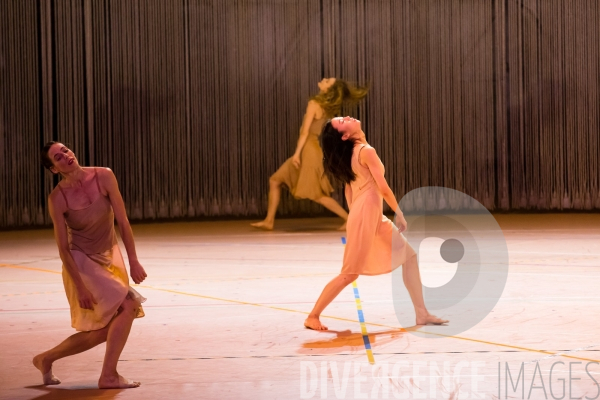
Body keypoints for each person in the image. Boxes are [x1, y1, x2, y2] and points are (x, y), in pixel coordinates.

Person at [303, 117, 448, 330]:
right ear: (345, 135)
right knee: (349, 274)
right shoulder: (365, 151)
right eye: (342, 121)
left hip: (370, 216)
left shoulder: (353, 153)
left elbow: (349, 187)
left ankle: (421, 313)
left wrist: (357, 213)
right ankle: (312, 316)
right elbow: (384, 188)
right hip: (367, 216)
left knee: (409, 256)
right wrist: (398, 212)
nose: (348, 117)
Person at [33, 142, 147, 389]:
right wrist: (80, 288)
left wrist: (134, 260)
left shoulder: (103, 176)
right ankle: (109, 376)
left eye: (65, 150)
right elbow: (63, 249)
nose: (65, 156)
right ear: (54, 169)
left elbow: (123, 221)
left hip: (108, 255)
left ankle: (45, 358)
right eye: (58, 157)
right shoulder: (58, 198)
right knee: (129, 305)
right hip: (81, 263)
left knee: (111, 328)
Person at [251, 78, 368, 230]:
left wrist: (296, 154)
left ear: (327, 90)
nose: (324, 80)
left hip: (308, 151)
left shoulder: (314, 104)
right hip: (310, 149)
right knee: (275, 180)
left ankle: (350, 218)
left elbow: (305, 132)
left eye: (327, 81)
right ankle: (269, 221)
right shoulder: (325, 107)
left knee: (317, 195)